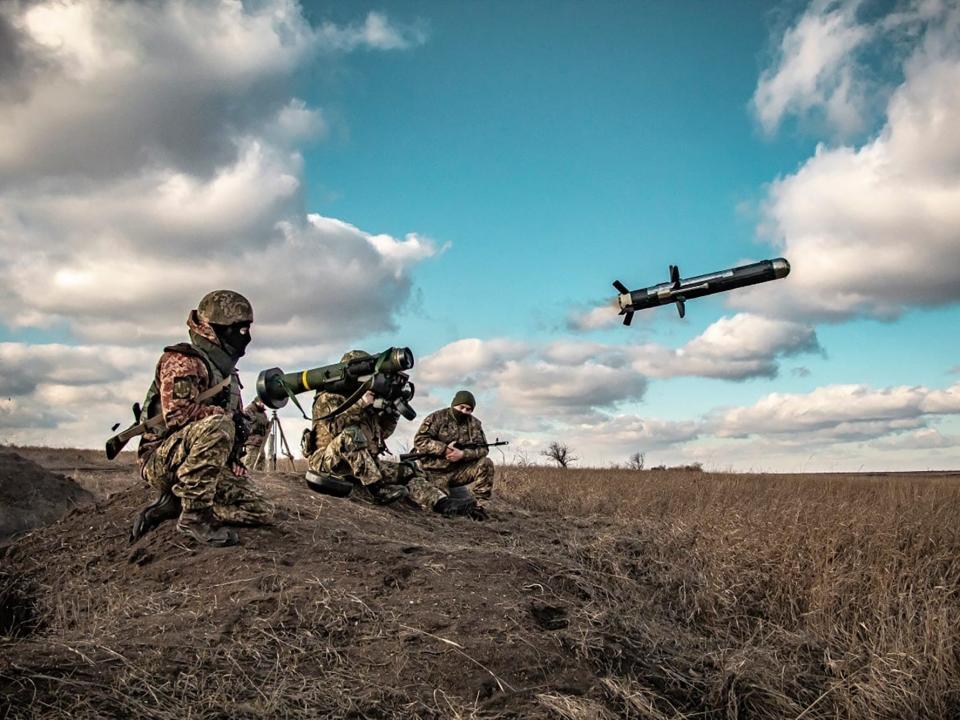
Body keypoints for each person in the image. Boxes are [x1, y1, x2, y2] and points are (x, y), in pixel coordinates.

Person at [129, 290, 275, 546]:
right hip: (162, 460)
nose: (247, 337)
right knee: (219, 425)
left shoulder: (228, 374)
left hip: (197, 458)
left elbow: (227, 423)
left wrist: (232, 457)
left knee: (261, 510)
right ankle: (194, 515)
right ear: (216, 328)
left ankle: (176, 503)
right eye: (240, 330)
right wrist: (227, 420)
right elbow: (178, 415)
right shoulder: (182, 361)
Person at [304, 351, 483, 518]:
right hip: (328, 462)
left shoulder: (367, 399)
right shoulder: (329, 397)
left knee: (410, 470)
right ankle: (377, 490)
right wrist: (362, 404)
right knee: (351, 434)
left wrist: (392, 413)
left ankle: (443, 504)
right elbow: (334, 428)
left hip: (363, 464)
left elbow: (382, 434)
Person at [413, 390, 495, 500]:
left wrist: (463, 454)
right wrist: (444, 450)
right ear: (454, 405)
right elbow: (420, 440)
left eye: (468, 409)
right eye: (461, 407)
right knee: (440, 502)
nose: (464, 411)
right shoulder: (436, 417)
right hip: (434, 472)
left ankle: (480, 505)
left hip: (459, 472)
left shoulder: (475, 424)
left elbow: (484, 449)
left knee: (486, 463)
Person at [241, 397, 270, 470]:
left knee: (260, 463)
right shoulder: (249, 410)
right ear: (256, 402)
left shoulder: (263, 413)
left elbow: (265, 426)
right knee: (250, 463)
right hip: (252, 442)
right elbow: (249, 423)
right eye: (261, 402)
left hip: (260, 442)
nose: (262, 404)